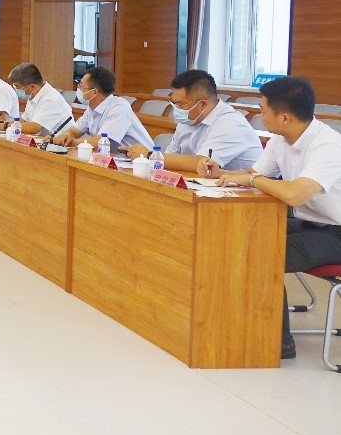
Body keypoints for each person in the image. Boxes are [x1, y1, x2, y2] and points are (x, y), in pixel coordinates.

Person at [210, 76, 341, 360]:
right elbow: (254, 174)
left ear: (284, 117)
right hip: (310, 224)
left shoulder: (327, 145)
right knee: (240, 237)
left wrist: (252, 180)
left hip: (336, 233)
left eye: (263, 109)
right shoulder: (282, 139)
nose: (260, 115)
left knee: (263, 253)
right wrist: (220, 173)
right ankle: (234, 320)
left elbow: (293, 194)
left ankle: (278, 342)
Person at [126, 69, 263, 172]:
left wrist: (150, 155)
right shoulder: (188, 119)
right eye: (174, 104)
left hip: (243, 195)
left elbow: (201, 164)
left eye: (180, 105)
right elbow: (170, 156)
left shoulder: (231, 124)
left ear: (202, 104)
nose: (176, 110)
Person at [54, 66, 152, 149]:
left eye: (81, 85)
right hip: (117, 158)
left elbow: (101, 143)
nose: (78, 88)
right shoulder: (91, 108)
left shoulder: (119, 108)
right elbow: (74, 131)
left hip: (144, 161)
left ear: (94, 92)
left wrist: (70, 142)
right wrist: (65, 135)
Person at [6, 63, 74, 137]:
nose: (16, 90)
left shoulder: (50, 99)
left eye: (17, 86)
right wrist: (8, 125)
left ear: (32, 86)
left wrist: (6, 125)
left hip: (61, 142)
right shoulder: (33, 96)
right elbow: (23, 121)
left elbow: (34, 128)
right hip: (45, 139)